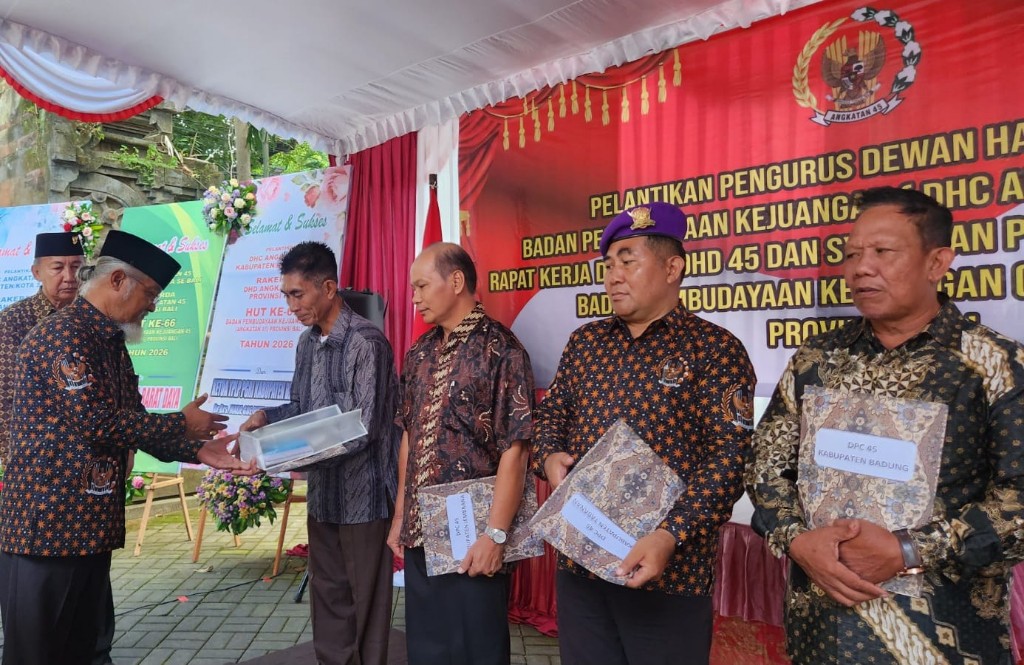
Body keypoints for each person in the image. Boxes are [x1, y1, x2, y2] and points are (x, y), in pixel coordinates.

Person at [745, 186, 1024, 664]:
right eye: (852, 254)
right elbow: (764, 468)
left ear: (937, 262)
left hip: (942, 637)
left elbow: (1018, 497)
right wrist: (797, 539)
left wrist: (909, 550)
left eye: (882, 252)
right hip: (821, 631)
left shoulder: (993, 366)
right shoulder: (818, 358)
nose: (861, 268)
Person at [0, 229, 255, 665]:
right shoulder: (63, 335)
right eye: (151, 293)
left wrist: (196, 450)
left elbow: (130, 423)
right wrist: (181, 422)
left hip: (88, 526)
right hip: (47, 528)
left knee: (87, 649)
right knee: (38, 654)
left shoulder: (108, 340)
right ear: (118, 280)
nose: (153, 306)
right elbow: (95, 421)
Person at [534, 202, 756, 665]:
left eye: (629, 260)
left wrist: (669, 534)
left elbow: (730, 459)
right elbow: (553, 411)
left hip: (668, 572)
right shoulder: (586, 343)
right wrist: (550, 455)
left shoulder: (714, 351)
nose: (614, 275)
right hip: (581, 560)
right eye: (609, 264)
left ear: (673, 267)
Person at [240, 241, 400, 665]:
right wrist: (266, 418)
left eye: (298, 294)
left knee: (365, 602)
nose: (291, 306)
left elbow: (361, 430)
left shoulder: (368, 344)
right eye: (286, 295)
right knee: (327, 596)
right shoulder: (306, 344)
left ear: (329, 288)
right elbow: (301, 409)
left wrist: (284, 460)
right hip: (324, 495)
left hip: (364, 498)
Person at [387, 242, 534, 665]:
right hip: (421, 530)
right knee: (428, 648)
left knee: (476, 649)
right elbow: (409, 437)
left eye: (421, 285)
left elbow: (516, 449)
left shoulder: (502, 350)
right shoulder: (419, 353)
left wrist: (496, 535)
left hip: (474, 536)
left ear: (456, 281)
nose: (413, 297)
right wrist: (401, 515)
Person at [0, 232, 85, 466]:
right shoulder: (13, 321)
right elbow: (6, 396)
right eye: (57, 268)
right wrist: (14, 461)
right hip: (36, 459)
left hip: (89, 455)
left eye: (76, 267)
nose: (69, 277)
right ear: (37, 272)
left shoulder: (94, 319)